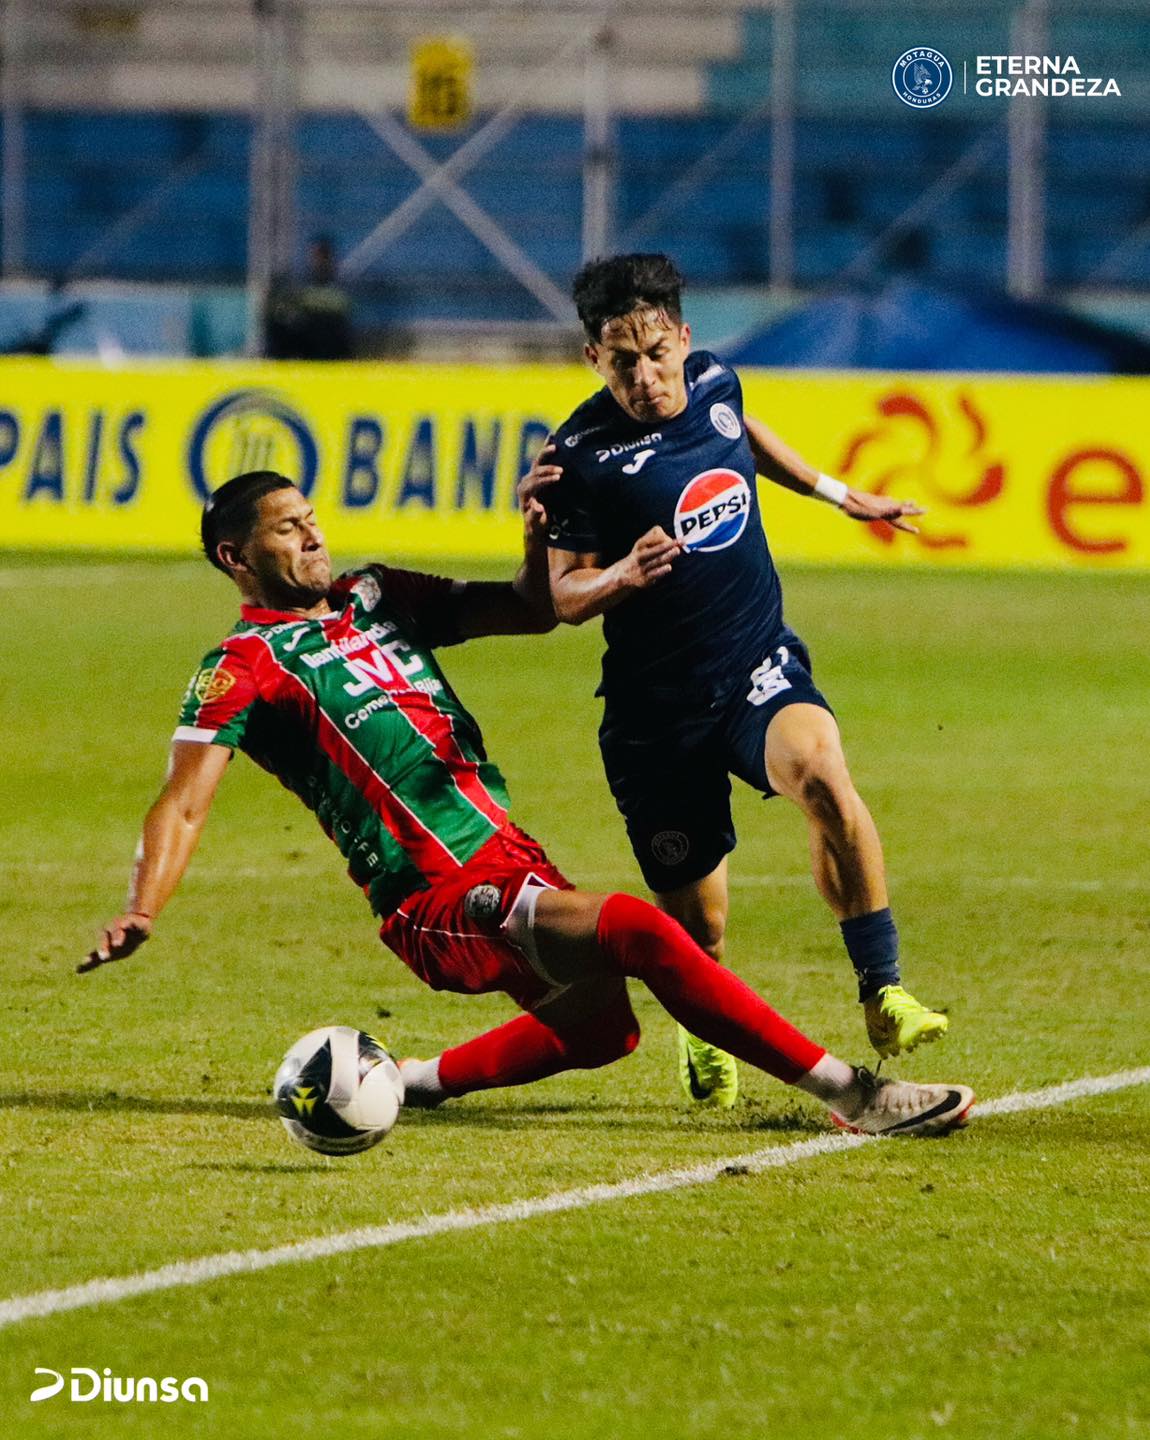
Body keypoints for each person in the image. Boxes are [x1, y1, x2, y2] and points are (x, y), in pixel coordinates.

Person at [84, 469, 973, 1139]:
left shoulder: (375, 595)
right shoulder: (242, 666)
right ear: (237, 558)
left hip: (506, 852)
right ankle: (853, 1094)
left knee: (604, 1031)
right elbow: (184, 801)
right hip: (428, 892)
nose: (312, 537)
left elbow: (529, 609)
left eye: (312, 519)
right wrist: (141, 905)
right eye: (287, 530)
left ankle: (404, 1081)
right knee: (641, 930)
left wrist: (536, 536)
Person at [537, 252, 947, 1109]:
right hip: (657, 717)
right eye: (624, 359)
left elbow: (747, 439)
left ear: (685, 339)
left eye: (658, 353)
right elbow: (563, 594)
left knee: (824, 778)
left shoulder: (718, 381)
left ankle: (883, 991)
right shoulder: (576, 458)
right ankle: (701, 1020)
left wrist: (841, 494)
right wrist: (620, 577)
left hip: (756, 664)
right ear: (592, 359)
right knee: (702, 929)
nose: (647, 376)